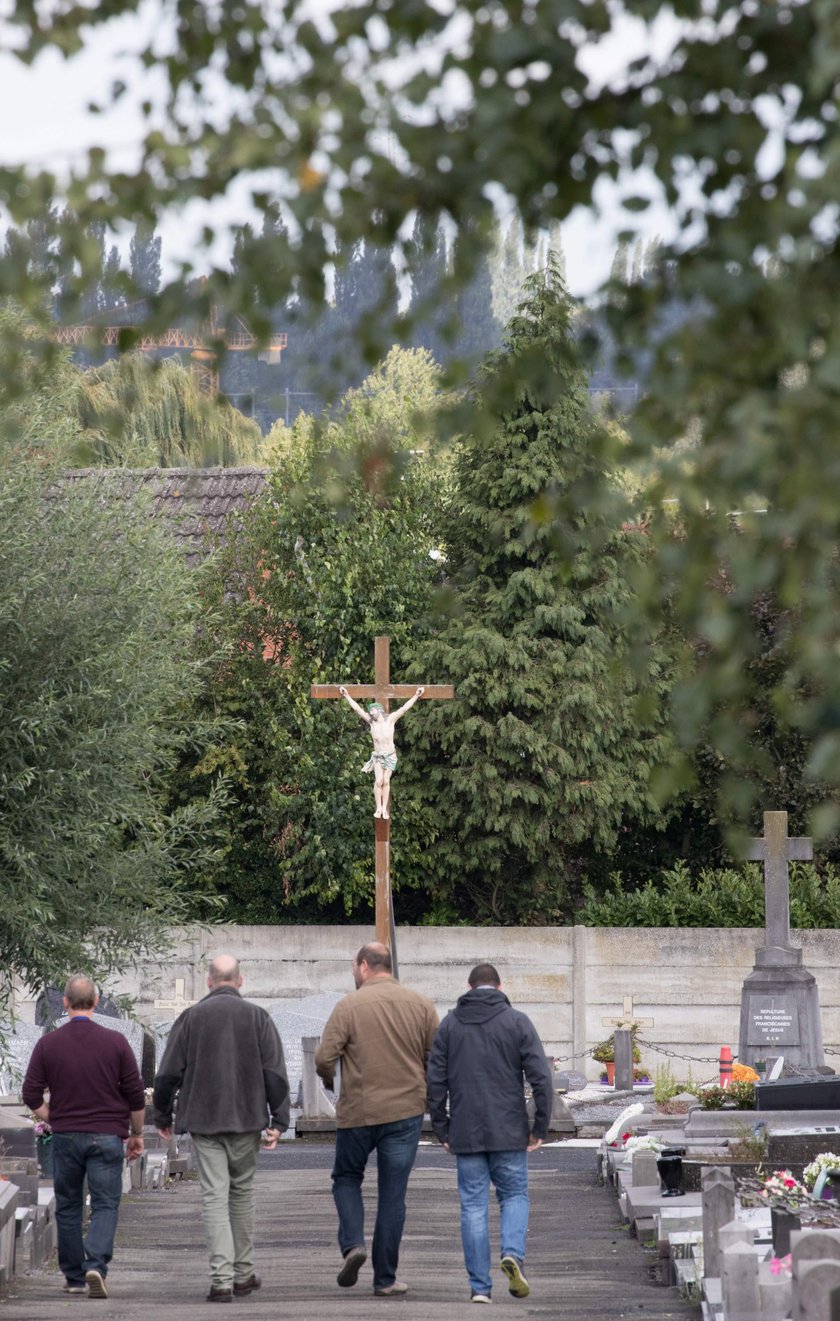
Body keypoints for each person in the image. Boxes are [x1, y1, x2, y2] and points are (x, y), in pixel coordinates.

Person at [153, 954, 289, 1304]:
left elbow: (168, 1073)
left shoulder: (191, 1018)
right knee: (242, 1194)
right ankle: (243, 1275)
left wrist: (162, 1115)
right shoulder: (258, 1017)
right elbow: (274, 1073)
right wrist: (280, 1121)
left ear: (209, 981)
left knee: (215, 1195)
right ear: (240, 981)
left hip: (204, 1119)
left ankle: (221, 1280)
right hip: (247, 1119)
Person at [315, 941, 438, 1298]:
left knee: (346, 1178)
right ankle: (385, 1279)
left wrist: (332, 1082)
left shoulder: (348, 1006)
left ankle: (353, 1244)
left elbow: (325, 1058)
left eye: (354, 967)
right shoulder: (421, 1005)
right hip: (405, 1113)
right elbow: (437, 1056)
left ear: (365, 966)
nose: (353, 973)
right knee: (393, 1195)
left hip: (358, 1110)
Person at [427, 962, 554, 1305]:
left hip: (465, 1131)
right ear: (500, 988)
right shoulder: (517, 1022)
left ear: (469, 988)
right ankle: (512, 1253)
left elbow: (435, 1080)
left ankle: (480, 1288)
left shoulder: (450, 1024)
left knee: (472, 1206)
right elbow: (541, 1077)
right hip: (510, 1130)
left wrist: (441, 1126)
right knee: (514, 1196)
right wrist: (540, 1126)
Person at [22, 974, 146, 1300]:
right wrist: (135, 1134)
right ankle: (97, 1265)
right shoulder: (116, 1042)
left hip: (66, 1136)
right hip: (106, 1135)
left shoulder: (48, 1044)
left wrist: (55, 1117)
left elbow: (31, 1093)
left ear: (65, 1003)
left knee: (68, 1205)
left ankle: (75, 1277)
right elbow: (135, 1094)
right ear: (95, 1002)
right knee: (105, 1203)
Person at [338, 685, 425, 818]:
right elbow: (357, 708)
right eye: (370, 711)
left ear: (379, 709)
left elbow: (404, 708)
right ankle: (378, 808)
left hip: (390, 756)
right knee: (378, 781)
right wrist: (346, 695)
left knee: (386, 780)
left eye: (372, 709)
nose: (371, 712)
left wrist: (416, 695)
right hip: (378, 757)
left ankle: (385, 809)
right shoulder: (372, 723)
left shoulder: (390, 720)